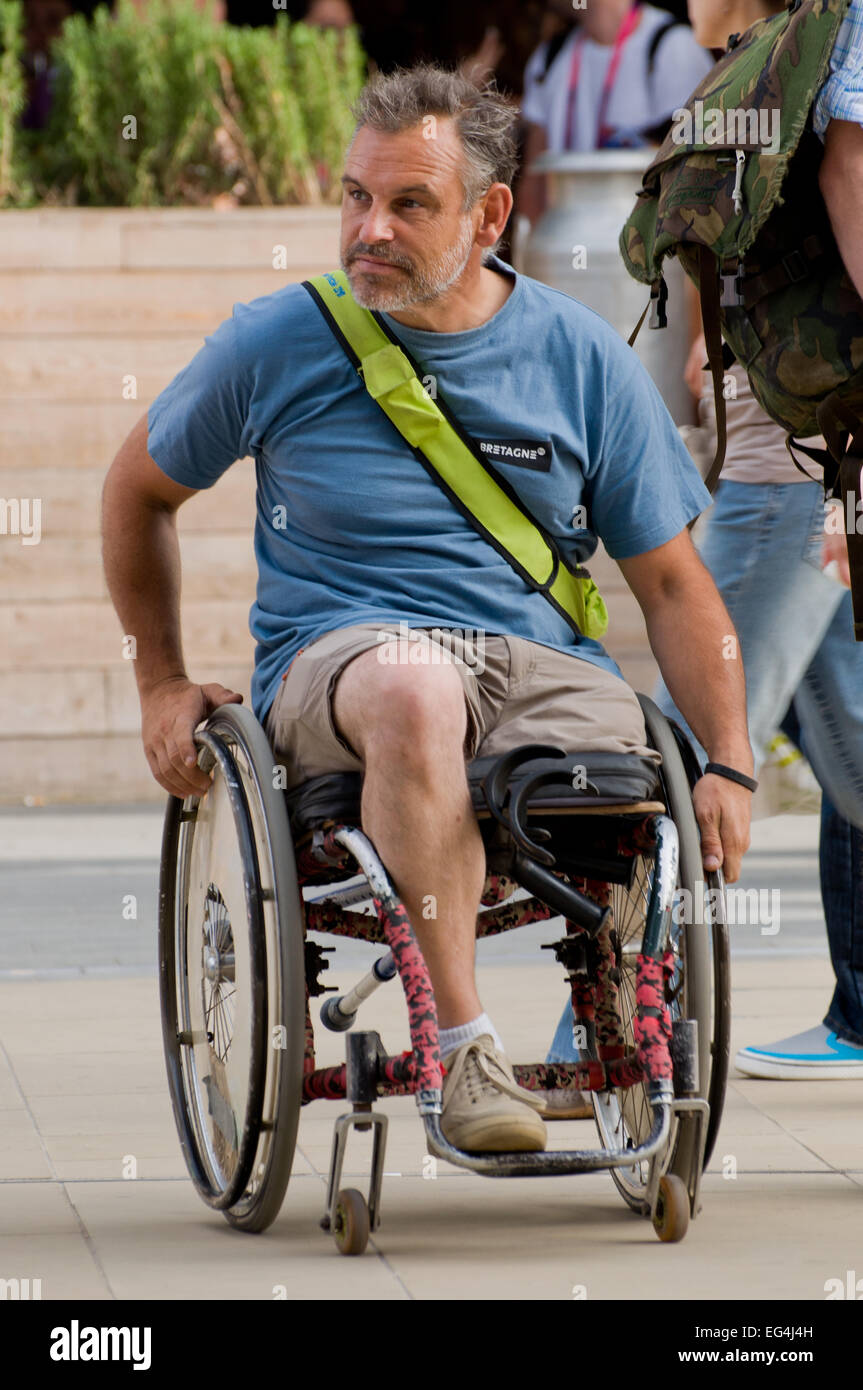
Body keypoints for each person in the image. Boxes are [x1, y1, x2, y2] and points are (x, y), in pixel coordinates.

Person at [102, 63, 754, 1155]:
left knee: (650, 760)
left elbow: (676, 585)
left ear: (488, 212)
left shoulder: (578, 357)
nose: (368, 229)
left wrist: (728, 761)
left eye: (407, 204)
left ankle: (615, 977)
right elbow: (138, 493)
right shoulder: (278, 340)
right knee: (415, 684)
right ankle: (462, 1050)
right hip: (345, 663)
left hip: (530, 663)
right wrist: (160, 680)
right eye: (356, 196)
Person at [547, 0, 863, 1083]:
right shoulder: (774, 51)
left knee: (684, 749)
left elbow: (845, 184)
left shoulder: (827, 29)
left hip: (798, 462)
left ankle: (594, 1037)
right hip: (801, 450)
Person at [517, 0, 713, 224]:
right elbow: (534, 183)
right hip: (569, 243)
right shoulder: (549, 57)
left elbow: (696, 179)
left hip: (644, 249)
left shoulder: (673, 47)